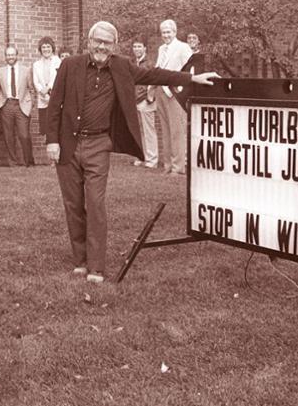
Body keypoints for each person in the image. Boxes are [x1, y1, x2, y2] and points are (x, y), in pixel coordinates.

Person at [46, 21, 219, 283]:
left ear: (114, 46)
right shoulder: (70, 65)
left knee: (95, 205)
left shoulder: (121, 65)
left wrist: (191, 78)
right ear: (89, 42)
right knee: (73, 205)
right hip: (68, 145)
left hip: (98, 145)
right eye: (98, 41)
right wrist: (52, 141)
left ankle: (96, 268)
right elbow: (55, 103)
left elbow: (155, 75)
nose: (101, 46)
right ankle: (80, 262)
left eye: (107, 42)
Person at [153, 19, 194, 175]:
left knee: (177, 131)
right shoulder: (161, 49)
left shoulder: (183, 47)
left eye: (168, 32)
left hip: (176, 94)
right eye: (163, 32)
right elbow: (158, 69)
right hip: (161, 92)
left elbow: (191, 70)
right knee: (165, 130)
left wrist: (181, 89)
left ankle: (178, 167)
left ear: (175, 32)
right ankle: (168, 166)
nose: (166, 35)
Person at [0, 43, 34, 166]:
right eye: (8, 55)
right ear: (5, 57)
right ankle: (13, 162)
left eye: (12, 54)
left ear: (17, 55)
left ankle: (28, 161)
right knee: (8, 135)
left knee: (24, 135)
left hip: (21, 104)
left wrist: (30, 104)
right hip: (6, 105)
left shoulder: (26, 70)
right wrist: (0, 104)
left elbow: (31, 88)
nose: (10, 56)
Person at [131, 40, 158, 169]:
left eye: (139, 46)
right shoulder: (132, 63)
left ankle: (152, 159)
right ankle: (141, 157)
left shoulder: (149, 62)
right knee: (138, 131)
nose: (137, 49)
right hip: (134, 100)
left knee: (149, 130)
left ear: (145, 48)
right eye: (135, 46)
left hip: (145, 100)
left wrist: (150, 96)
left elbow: (154, 80)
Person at [32, 36, 61, 142]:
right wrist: (42, 91)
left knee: (57, 127)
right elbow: (36, 82)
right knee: (46, 129)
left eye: (48, 47)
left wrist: (48, 88)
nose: (46, 49)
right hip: (43, 98)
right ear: (40, 49)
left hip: (55, 97)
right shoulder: (36, 65)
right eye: (43, 47)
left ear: (52, 48)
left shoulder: (58, 61)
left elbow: (58, 78)